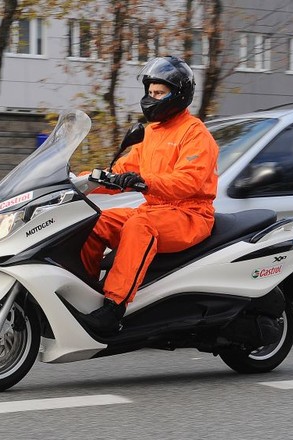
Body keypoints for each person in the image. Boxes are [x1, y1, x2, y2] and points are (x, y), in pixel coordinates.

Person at [80, 56, 219, 333]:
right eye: (150, 92)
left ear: (178, 95)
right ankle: (83, 292)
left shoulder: (195, 134)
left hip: (190, 215)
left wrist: (144, 181)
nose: (151, 98)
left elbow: (188, 181)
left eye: (159, 93)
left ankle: (113, 309)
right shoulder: (151, 133)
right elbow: (121, 172)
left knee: (138, 226)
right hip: (156, 210)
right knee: (93, 222)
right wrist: (81, 180)